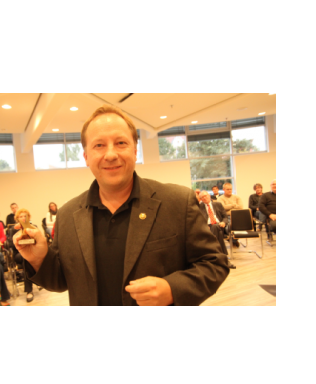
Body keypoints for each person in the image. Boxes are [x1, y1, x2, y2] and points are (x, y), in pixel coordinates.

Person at [14, 104, 230, 307]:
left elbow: (215, 263)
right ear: (86, 156)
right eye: (99, 145)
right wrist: (39, 258)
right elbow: (62, 281)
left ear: (135, 151)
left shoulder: (177, 202)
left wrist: (172, 289)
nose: (110, 154)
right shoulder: (68, 215)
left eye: (121, 143)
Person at [9, 209, 40, 303]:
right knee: (25, 257)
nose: (23, 218)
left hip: (32, 251)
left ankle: (30, 290)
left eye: (25, 216)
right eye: (21, 216)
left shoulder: (34, 227)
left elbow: (38, 241)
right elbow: (11, 245)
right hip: (19, 253)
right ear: (17, 218)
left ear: (29, 217)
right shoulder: (13, 229)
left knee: (28, 257)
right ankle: (35, 284)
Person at [198, 191, 229, 256]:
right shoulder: (199, 207)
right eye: (202, 197)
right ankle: (222, 254)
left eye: (205, 196)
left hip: (220, 225)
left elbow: (225, 217)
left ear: (209, 196)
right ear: (201, 199)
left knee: (215, 226)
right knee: (218, 232)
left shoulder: (218, 204)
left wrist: (223, 222)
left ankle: (212, 253)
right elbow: (198, 219)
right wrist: (204, 226)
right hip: (207, 227)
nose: (204, 198)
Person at [217, 183, 243, 248]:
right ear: (224, 190)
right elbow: (222, 208)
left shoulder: (237, 197)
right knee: (229, 227)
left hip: (237, 216)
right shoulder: (220, 198)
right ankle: (233, 240)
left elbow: (240, 207)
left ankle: (233, 240)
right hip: (226, 217)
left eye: (230, 189)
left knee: (239, 227)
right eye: (228, 189)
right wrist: (233, 205)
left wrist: (228, 207)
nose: (229, 190)